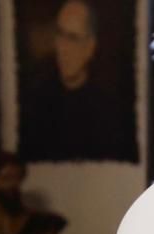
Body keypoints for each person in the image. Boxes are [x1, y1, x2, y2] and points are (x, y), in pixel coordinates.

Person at [18, 0, 137, 162]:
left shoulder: (109, 111)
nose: (63, 48)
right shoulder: (36, 104)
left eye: (72, 38)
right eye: (60, 34)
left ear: (90, 47)